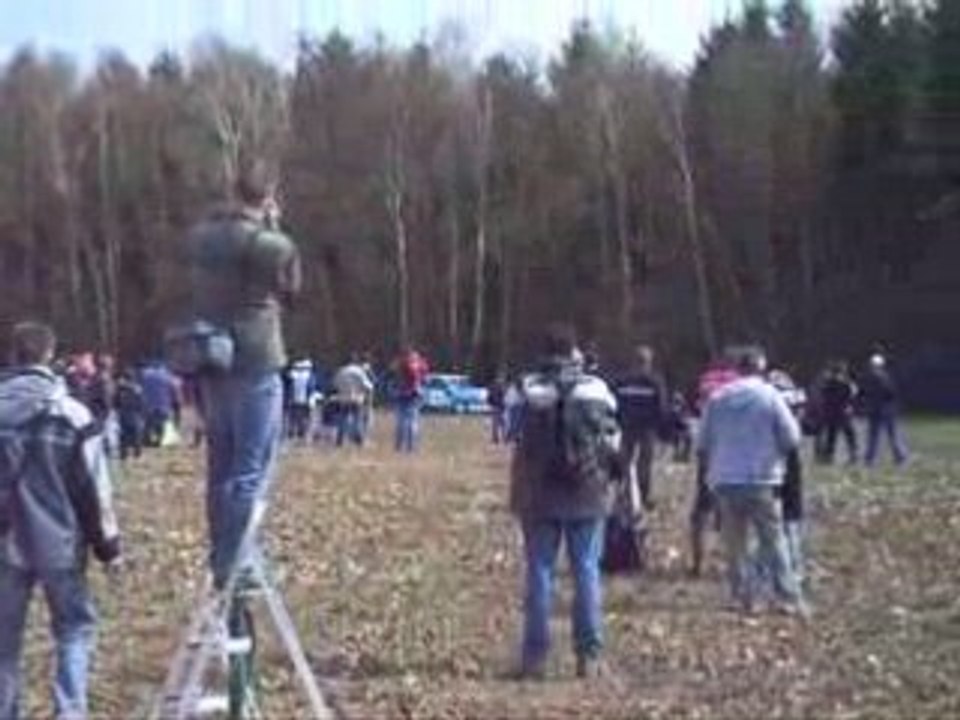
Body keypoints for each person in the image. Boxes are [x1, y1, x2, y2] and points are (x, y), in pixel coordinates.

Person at [185, 161, 301, 589]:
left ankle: (221, 554)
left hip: (213, 357)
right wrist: (274, 227)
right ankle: (239, 559)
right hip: (256, 357)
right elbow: (292, 292)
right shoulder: (271, 244)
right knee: (251, 467)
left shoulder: (201, 238)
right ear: (268, 197)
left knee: (221, 464)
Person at [0, 322, 122, 720]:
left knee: (4, 644)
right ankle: (69, 711)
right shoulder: (72, 415)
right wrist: (108, 547)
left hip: (5, 543)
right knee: (73, 630)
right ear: (50, 356)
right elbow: (92, 490)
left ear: (14, 356)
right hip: (61, 543)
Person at [509, 324, 621, 680]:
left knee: (540, 571)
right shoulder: (596, 388)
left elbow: (512, 432)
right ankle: (588, 655)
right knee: (586, 569)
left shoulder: (527, 388)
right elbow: (612, 440)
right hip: (586, 490)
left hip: (539, 491)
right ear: (575, 352)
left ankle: (535, 656)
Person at [697, 346, 806, 615]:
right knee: (773, 539)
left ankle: (742, 596)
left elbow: (703, 442)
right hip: (761, 476)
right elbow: (791, 437)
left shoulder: (718, 397)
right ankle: (786, 596)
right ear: (760, 368)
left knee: (735, 543)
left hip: (725, 478)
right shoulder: (769, 396)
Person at [613, 345, 667, 511]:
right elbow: (661, 407)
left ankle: (624, 494)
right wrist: (662, 429)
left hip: (626, 426)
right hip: (646, 428)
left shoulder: (621, 380)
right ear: (648, 363)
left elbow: (615, 403)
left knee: (625, 462)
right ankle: (642, 496)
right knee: (644, 463)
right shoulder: (655, 382)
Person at [860, 354, 908, 467]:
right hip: (886, 409)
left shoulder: (867, 378)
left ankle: (870, 459)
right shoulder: (884, 377)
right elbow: (891, 392)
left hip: (873, 409)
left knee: (873, 436)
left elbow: (864, 393)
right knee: (893, 434)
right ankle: (900, 457)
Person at [818, 361, 859, 465]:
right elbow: (853, 396)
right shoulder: (845, 384)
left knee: (833, 436)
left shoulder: (830, 383)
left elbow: (824, 396)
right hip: (842, 412)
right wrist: (850, 405)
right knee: (847, 435)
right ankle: (852, 455)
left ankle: (829, 457)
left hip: (834, 413)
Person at [332, 355, 375, 447]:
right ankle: (358, 439)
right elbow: (368, 386)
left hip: (343, 398)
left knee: (343, 419)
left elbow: (335, 384)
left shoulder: (341, 371)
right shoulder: (359, 372)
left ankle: (340, 439)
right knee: (357, 420)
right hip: (356, 398)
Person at [393, 346, 429, 453]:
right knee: (412, 421)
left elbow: (392, 375)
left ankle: (398, 446)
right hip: (414, 394)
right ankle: (411, 447)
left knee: (401, 421)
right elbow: (425, 379)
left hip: (401, 394)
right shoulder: (420, 365)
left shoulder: (400, 364)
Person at [139, 359, 181, 447]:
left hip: (149, 403)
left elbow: (141, 388)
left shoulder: (146, 375)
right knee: (162, 423)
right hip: (164, 404)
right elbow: (174, 390)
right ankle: (160, 439)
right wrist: (176, 403)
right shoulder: (168, 376)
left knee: (149, 423)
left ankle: (146, 439)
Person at [114, 369, 147, 461]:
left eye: (122, 378)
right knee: (130, 436)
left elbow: (115, 403)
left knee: (130, 436)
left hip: (129, 414)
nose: (120, 380)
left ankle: (130, 454)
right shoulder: (133, 389)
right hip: (129, 415)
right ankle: (130, 455)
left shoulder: (126, 389)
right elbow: (142, 403)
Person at [285, 358, 316, 442]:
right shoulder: (309, 376)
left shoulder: (292, 375)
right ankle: (301, 433)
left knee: (293, 418)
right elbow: (311, 388)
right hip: (305, 400)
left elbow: (288, 387)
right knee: (305, 418)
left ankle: (291, 433)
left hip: (294, 399)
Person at [488, 372, 508, 445]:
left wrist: (490, 404)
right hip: (499, 407)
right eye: (502, 378)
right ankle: (502, 438)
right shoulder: (501, 387)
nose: (502, 380)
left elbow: (489, 397)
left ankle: (496, 439)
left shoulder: (493, 386)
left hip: (496, 407)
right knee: (501, 424)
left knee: (497, 424)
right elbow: (503, 396)